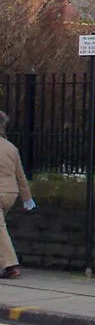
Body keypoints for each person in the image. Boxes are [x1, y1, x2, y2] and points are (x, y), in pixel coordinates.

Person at [0, 110, 35, 280]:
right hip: (10, 194)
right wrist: (26, 197)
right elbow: (20, 175)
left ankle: (11, 266)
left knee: (0, 229)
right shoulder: (11, 147)